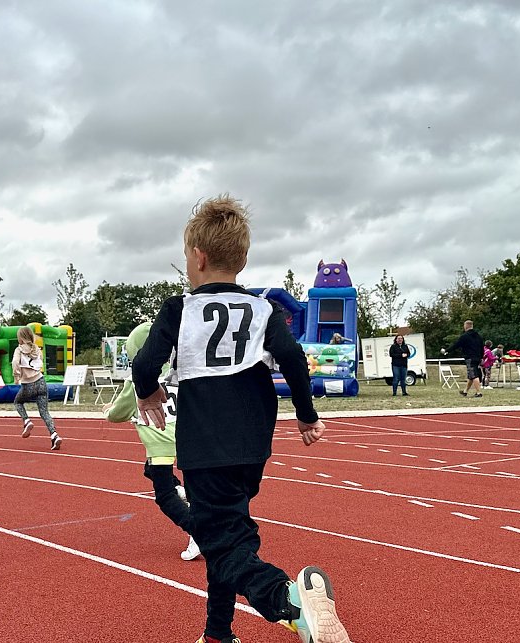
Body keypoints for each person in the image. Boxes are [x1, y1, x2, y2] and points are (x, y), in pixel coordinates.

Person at [132, 195, 350, 643]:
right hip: (252, 443)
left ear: (197, 256)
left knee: (223, 541)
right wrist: (307, 416)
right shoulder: (265, 309)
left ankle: (288, 601)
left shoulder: (181, 309)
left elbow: (144, 363)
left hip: (205, 441)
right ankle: (217, 633)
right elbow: (291, 356)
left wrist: (148, 391)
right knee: (225, 531)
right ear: (243, 258)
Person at [103, 322, 198, 561]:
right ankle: (182, 490)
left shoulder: (138, 379)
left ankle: (199, 532)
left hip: (160, 445)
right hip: (189, 440)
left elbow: (119, 414)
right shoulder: (181, 373)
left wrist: (107, 411)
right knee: (152, 471)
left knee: (164, 495)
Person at [12, 326, 62, 450]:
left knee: (18, 402)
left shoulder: (19, 350)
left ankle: (26, 420)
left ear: (21, 338)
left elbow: (15, 362)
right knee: (44, 412)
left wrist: (16, 375)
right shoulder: (37, 349)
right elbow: (40, 363)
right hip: (41, 382)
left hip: (28, 384)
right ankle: (54, 435)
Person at [440, 320, 485, 398]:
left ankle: (478, 392)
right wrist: (481, 357)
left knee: (474, 375)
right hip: (477, 357)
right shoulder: (478, 336)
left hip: (470, 357)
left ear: (466, 326)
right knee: (470, 376)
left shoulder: (465, 336)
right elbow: (482, 348)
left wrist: (447, 351)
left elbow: (456, 345)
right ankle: (465, 391)